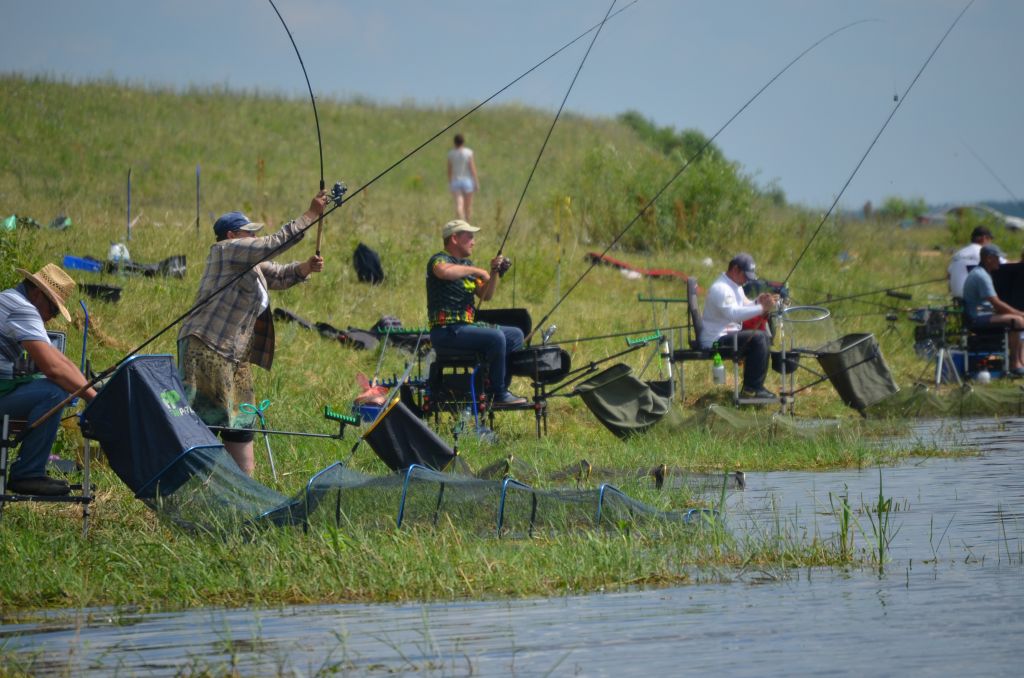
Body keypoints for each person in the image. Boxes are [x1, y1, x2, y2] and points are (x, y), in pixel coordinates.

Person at [178, 191, 328, 476]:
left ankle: (244, 489)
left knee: (242, 422)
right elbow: (271, 245)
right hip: (207, 347)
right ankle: (191, 484)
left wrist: (306, 267)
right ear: (233, 235)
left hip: (235, 355)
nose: (253, 237)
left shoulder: (250, 263)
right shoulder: (226, 251)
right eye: (248, 233)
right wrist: (310, 215)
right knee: (205, 421)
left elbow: (280, 274)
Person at [0, 264, 96, 495]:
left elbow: (59, 361)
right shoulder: (23, 309)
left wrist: (90, 388)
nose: (51, 317)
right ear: (37, 294)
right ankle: (27, 474)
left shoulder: (8, 298)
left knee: (56, 384)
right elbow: (53, 369)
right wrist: (94, 398)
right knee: (55, 391)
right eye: (53, 309)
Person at [426, 219, 525, 406]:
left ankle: (492, 385)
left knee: (515, 335)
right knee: (496, 337)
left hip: (464, 329)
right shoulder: (439, 260)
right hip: (446, 331)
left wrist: (494, 272)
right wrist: (478, 270)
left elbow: (485, 294)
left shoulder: (465, 266)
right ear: (454, 238)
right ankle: (499, 393)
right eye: (469, 236)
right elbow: (444, 272)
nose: (474, 241)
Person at [699, 253, 779, 400]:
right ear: (735, 269)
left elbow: (744, 305)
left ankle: (753, 387)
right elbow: (734, 314)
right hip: (716, 340)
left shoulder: (736, 286)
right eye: (746, 276)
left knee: (764, 337)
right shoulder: (721, 288)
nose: (747, 281)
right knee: (759, 338)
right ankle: (752, 389)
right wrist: (762, 308)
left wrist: (757, 302)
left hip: (729, 335)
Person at [961, 244, 1024, 375]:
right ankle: (1014, 363)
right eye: (997, 258)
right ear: (989, 259)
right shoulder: (981, 276)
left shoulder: (983, 273)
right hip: (976, 318)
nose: (999, 261)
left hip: (983, 314)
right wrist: (1018, 312)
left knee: (1018, 319)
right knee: (1017, 321)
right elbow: (996, 302)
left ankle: (1020, 360)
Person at [948, 225, 997, 299]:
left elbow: (948, 274)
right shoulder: (982, 251)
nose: (990, 243)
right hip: (971, 296)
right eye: (990, 239)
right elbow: (1004, 264)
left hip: (956, 296)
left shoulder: (959, 253)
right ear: (984, 238)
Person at [447, 133, 479, 221]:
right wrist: (476, 182)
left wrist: (450, 182)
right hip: (467, 181)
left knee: (459, 205)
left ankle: (460, 222)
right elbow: (472, 168)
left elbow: (449, 170)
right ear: (463, 142)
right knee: (468, 206)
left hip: (456, 181)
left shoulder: (451, 154)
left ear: (454, 142)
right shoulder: (468, 153)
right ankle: (467, 224)